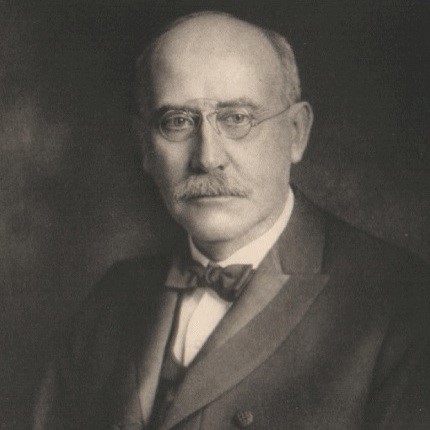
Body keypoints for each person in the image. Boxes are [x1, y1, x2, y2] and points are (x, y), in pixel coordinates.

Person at [34, 11, 430, 430]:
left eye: (237, 118)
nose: (207, 158)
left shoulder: (403, 306)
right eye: (177, 122)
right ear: (145, 148)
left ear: (296, 133)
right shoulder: (111, 300)